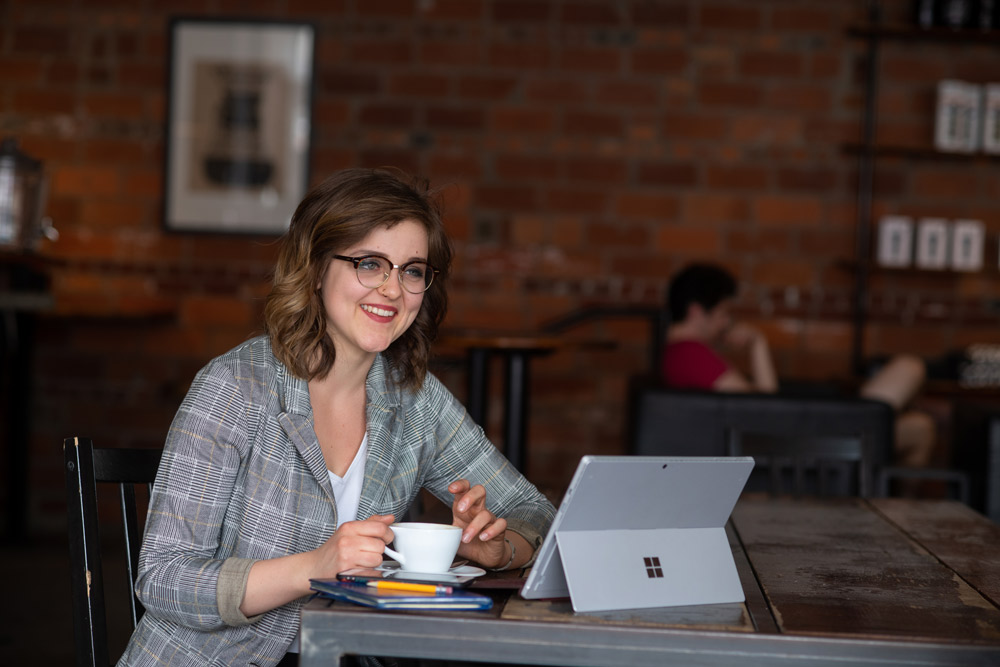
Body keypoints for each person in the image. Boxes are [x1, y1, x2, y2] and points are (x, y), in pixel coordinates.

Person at [117, 168, 556, 666]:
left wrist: (500, 552)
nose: (392, 290)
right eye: (370, 264)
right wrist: (316, 566)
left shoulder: (414, 399)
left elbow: (535, 514)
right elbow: (163, 578)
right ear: (318, 267)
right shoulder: (237, 387)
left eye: (412, 270)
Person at [661, 262, 935, 468]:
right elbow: (763, 411)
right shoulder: (690, 354)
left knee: (920, 427)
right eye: (724, 313)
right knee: (910, 367)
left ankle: (893, 505)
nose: (726, 324)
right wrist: (758, 344)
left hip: (800, 442)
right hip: (802, 446)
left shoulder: (680, 355)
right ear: (697, 312)